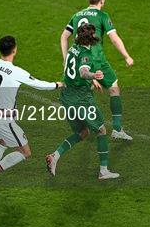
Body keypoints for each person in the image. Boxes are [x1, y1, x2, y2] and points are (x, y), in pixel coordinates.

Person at [0, 35, 62, 193]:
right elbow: (39, 84)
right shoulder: (16, 71)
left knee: (2, 142)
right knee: (25, 151)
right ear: (14, 50)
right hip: (3, 119)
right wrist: (57, 85)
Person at [47, 24, 120, 180]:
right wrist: (94, 76)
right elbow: (83, 71)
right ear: (90, 38)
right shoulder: (86, 54)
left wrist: (91, 82)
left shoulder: (73, 48)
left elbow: (72, 71)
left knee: (82, 132)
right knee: (101, 130)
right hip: (81, 99)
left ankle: (55, 156)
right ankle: (103, 171)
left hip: (66, 96)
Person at [61, 0, 134, 140]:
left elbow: (64, 36)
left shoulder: (77, 15)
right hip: (97, 60)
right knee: (114, 87)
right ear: (102, 0)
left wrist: (65, 59)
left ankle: (87, 124)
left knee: (86, 89)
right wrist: (126, 56)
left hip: (79, 59)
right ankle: (117, 129)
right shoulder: (102, 15)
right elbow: (114, 38)